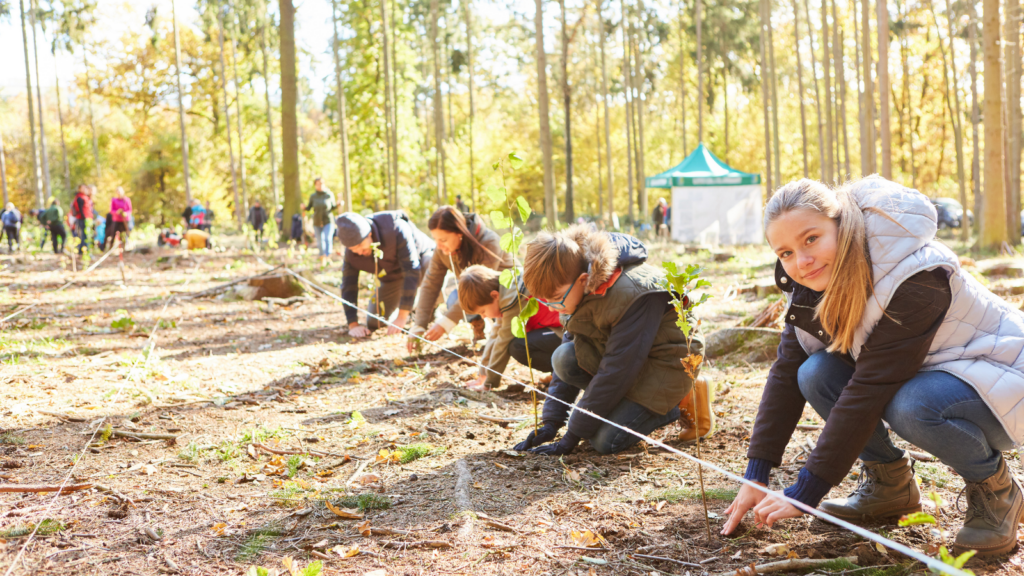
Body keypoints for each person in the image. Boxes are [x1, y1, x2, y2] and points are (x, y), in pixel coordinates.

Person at [720, 177, 1024, 558]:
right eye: (785, 252)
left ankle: (997, 492)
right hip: (934, 374)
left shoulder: (916, 275)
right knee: (814, 372)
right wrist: (756, 474)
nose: (802, 261)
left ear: (842, 224)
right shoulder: (811, 284)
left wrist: (806, 491)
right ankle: (889, 486)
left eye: (811, 239)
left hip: (1004, 380)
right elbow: (785, 372)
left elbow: (871, 386)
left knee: (912, 405)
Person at [511, 225, 704, 456]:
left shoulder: (631, 293)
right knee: (563, 358)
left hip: (669, 363)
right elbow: (575, 350)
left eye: (554, 299)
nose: (552, 307)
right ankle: (624, 409)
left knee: (605, 442)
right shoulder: (572, 289)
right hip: (631, 359)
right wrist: (551, 422)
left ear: (583, 279)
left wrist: (572, 436)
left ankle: (677, 404)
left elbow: (617, 371)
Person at [408, 206, 514, 352]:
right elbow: (431, 283)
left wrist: (446, 322)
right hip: (481, 296)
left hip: (505, 294)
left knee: (468, 300)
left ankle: (505, 336)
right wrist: (419, 324)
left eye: (443, 239)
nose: (438, 245)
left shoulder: (488, 242)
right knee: (454, 298)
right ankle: (480, 328)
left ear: (459, 233)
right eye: (435, 239)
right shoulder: (442, 251)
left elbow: (480, 288)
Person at [457, 265, 563, 391]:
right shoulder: (506, 293)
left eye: (483, 311)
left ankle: (563, 373)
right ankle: (558, 373)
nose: (483, 316)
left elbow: (502, 343)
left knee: (518, 346)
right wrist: (483, 373)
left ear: (495, 296)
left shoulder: (513, 299)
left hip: (565, 332)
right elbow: (495, 335)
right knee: (518, 344)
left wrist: (489, 383)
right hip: (551, 330)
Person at [336, 211, 436, 337]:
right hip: (391, 277)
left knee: (431, 263)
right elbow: (348, 285)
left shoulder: (395, 227)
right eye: (353, 249)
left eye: (361, 245)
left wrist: (402, 316)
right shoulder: (352, 252)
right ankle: (413, 304)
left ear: (369, 234)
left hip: (419, 265)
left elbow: (411, 269)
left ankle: (431, 305)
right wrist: (353, 324)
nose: (359, 251)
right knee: (375, 321)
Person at [306, 178, 337, 264]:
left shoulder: (329, 195)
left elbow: (333, 207)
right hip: (317, 221)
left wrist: (339, 204)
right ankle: (322, 257)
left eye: (321, 184)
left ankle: (328, 256)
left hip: (328, 220)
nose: (320, 186)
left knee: (327, 238)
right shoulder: (313, 196)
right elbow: (309, 208)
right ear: (315, 185)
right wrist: (304, 208)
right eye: (317, 184)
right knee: (320, 241)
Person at [71, 184, 94, 255]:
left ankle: (84, 249)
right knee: (83, 235)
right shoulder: (79, 198)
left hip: (87, 218)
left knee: (86, 235)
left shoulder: (86, 197)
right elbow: (80, 209)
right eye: (83, 188)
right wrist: (84, 217)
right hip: (82, 218)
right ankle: (82, 250)